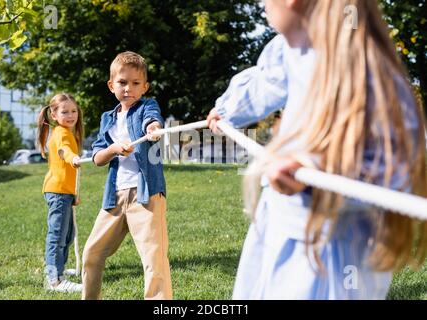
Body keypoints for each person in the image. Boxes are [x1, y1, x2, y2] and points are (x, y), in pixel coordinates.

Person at [207, 0, 427, 299]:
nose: (261, 4)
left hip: (332, 253)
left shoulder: (363, 65)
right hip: (278, 223)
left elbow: (395, 161)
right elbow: (265, 81)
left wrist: (316, 167)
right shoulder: (290, 50)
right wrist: (226, 110)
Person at [82, 51, 171, 300]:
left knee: (154, 260)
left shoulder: (147, 106)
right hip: (115, 198)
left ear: (145, 87)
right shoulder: (107, 119)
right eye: (122, 82)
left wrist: (153, 129)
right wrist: (113, 149)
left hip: (146, 196)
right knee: (91, 254)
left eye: (135, 83)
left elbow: (152, 120)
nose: (128, 89)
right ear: (112, 85)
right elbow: (98, 158)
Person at [37, 93, 84, 293]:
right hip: (57, 192)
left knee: (67, 234)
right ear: (54, 115)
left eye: (74, 111)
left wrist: (74, 194)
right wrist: (73, 157)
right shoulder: (61, 133)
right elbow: (63, 151)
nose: (71, 115)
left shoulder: (67, 131)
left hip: (64, 192)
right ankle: (55, 280)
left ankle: (60, 269)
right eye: (65, 111)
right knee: (57, 235)